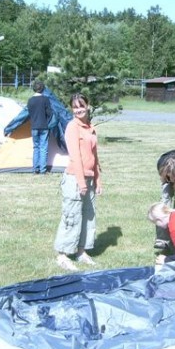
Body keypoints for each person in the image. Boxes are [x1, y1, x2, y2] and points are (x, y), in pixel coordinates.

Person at [54, 93, 102, 271]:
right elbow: (75, 157)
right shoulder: (72, 127)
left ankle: (81, 251)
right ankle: (63, 255)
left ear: (87, 106)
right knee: (72, 216)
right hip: (75, 179)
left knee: (88, 216)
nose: (78, 110)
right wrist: (81, 183)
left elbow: (94, 157)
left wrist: (98, 180)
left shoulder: (90, 128)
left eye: (81, 106)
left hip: (89, 178)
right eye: (75, 107)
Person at [27, 80, 53, 174]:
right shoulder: (45, 99)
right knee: (43, 148)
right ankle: (43, 170)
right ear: (42, 89)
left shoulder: (30, 100)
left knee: (36, 148)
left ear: (34, 89)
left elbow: (29, 113)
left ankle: (35, 169)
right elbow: (49, 113)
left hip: (34, 127)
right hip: (44, 127)